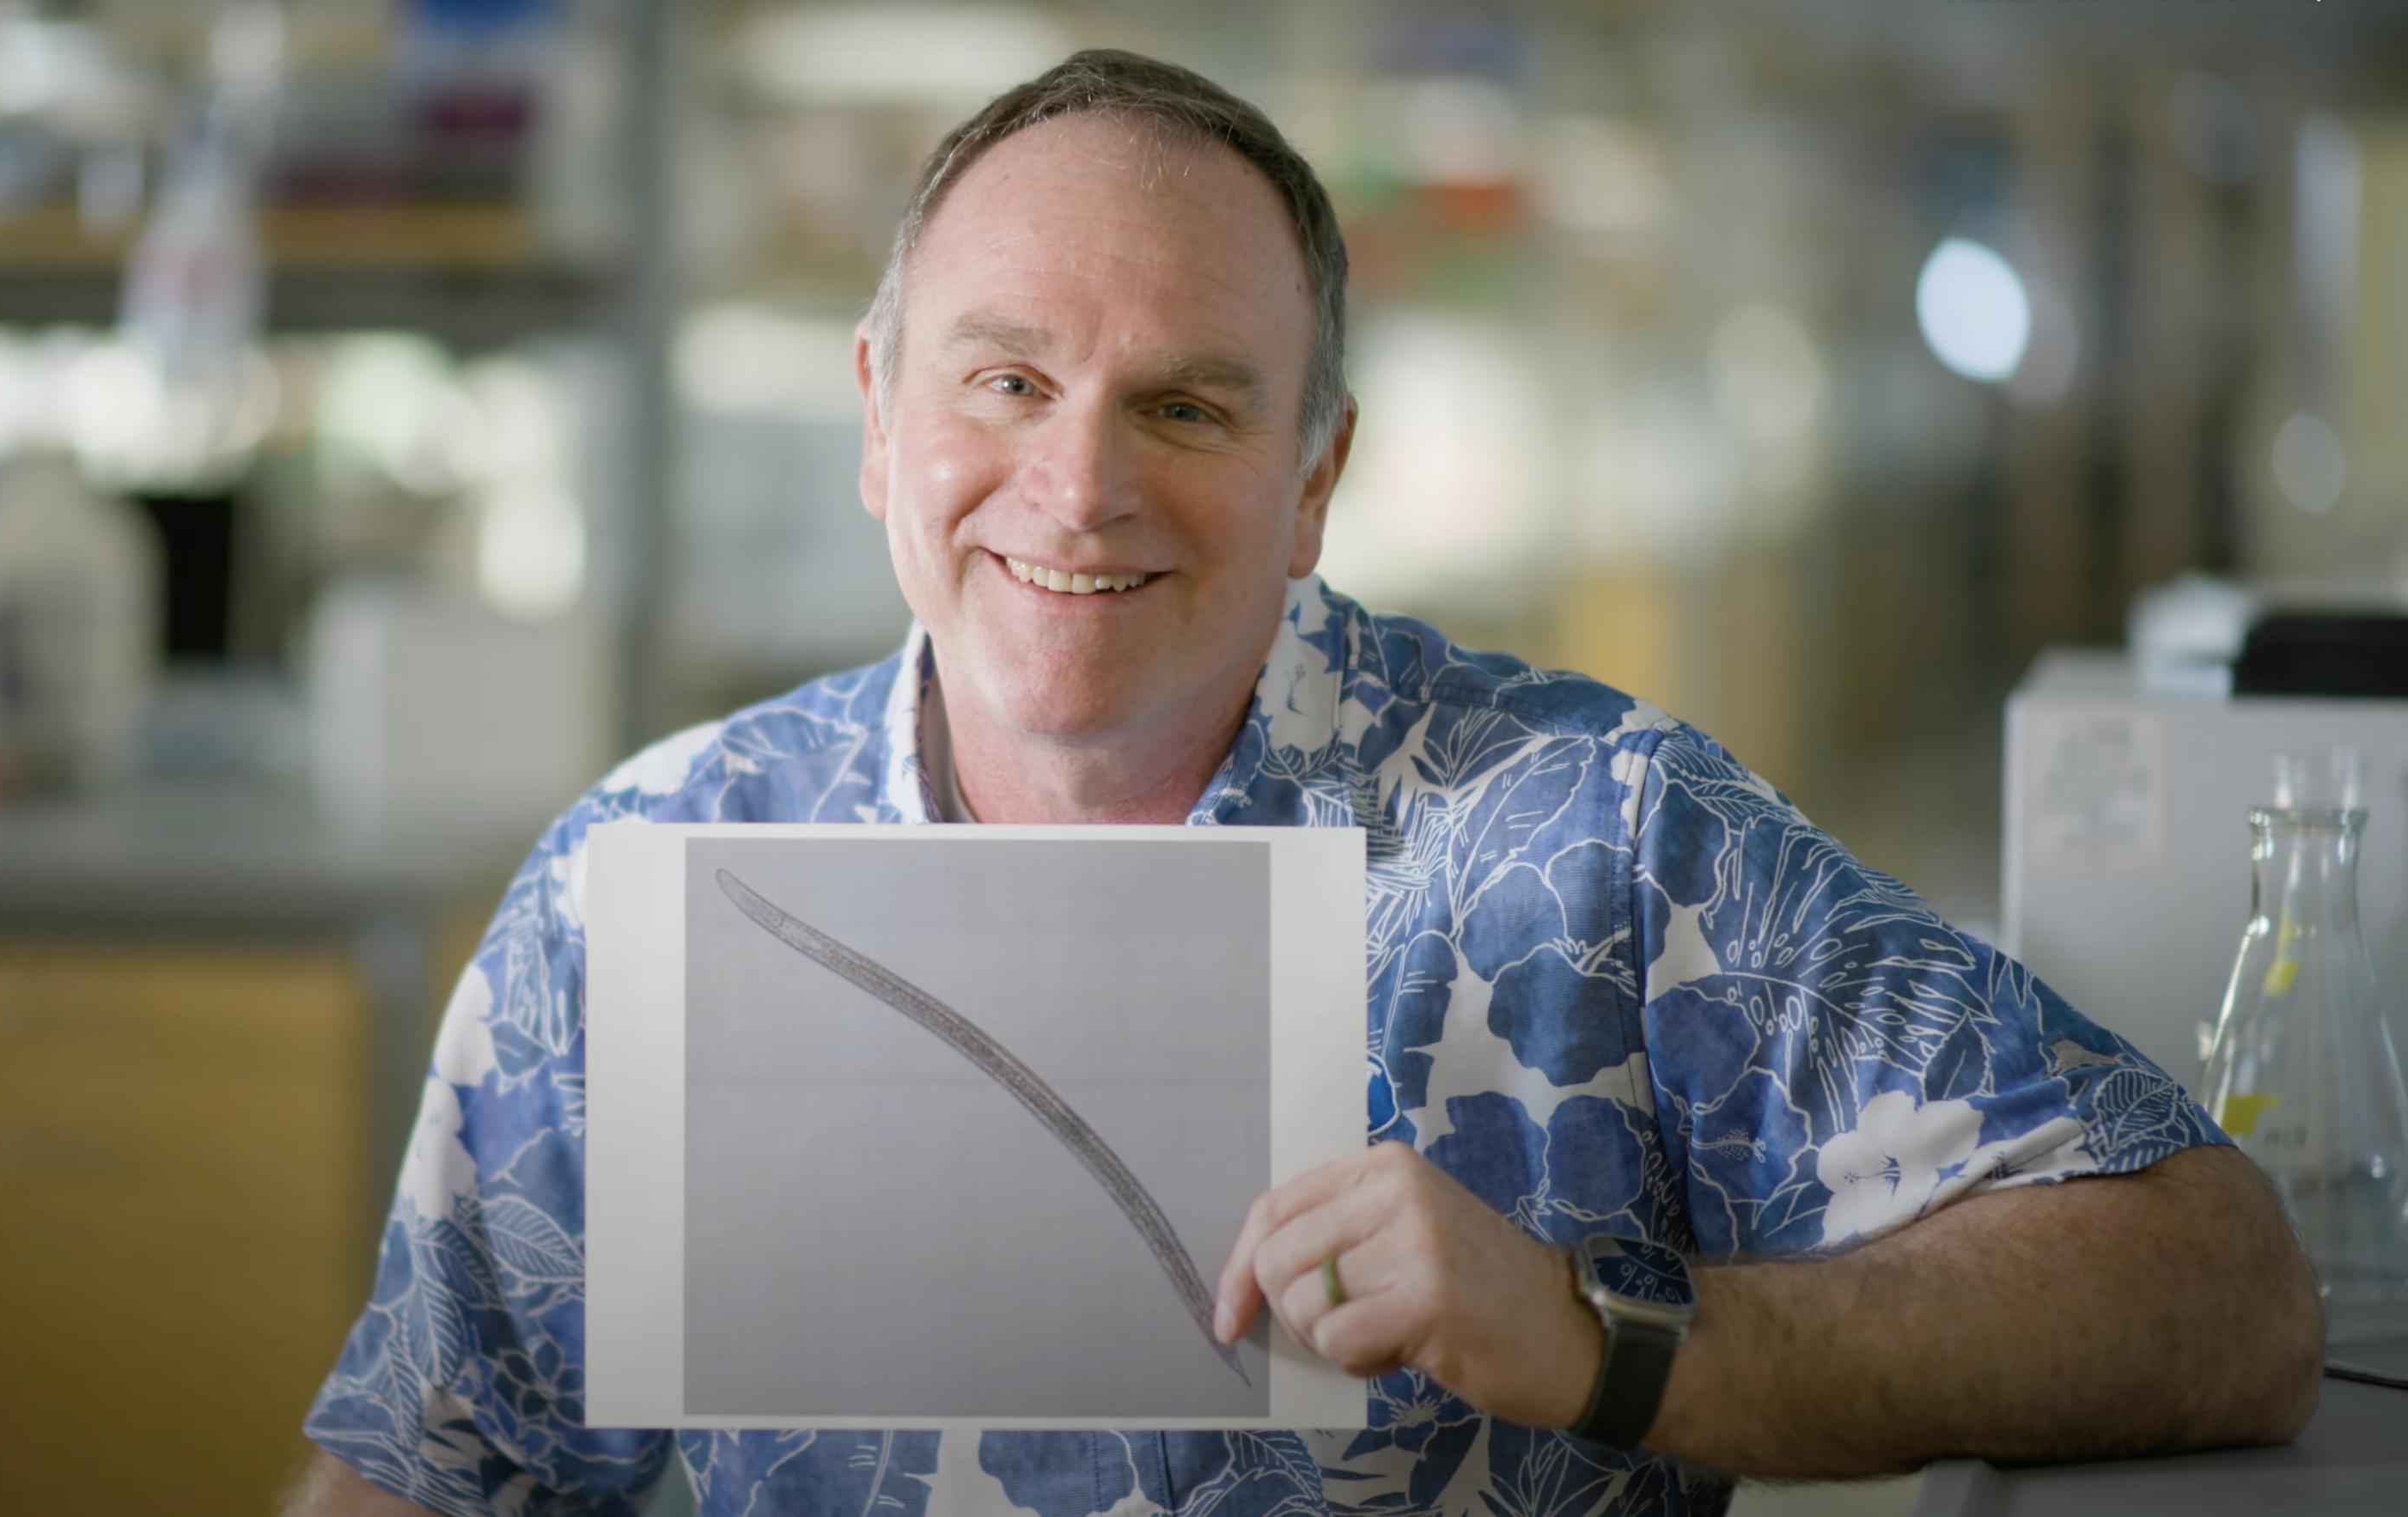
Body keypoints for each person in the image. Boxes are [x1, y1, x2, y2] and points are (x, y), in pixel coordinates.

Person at [282, 49, 2320, 1517]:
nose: (1077, 486)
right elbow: (420, 1467)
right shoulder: (646, 875)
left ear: (1317, 475)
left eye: (1187, 402)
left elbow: (2217, 1289)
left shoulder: (1592, 842)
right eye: (1006, 380)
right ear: (878, 414)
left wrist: (1608, 1340)